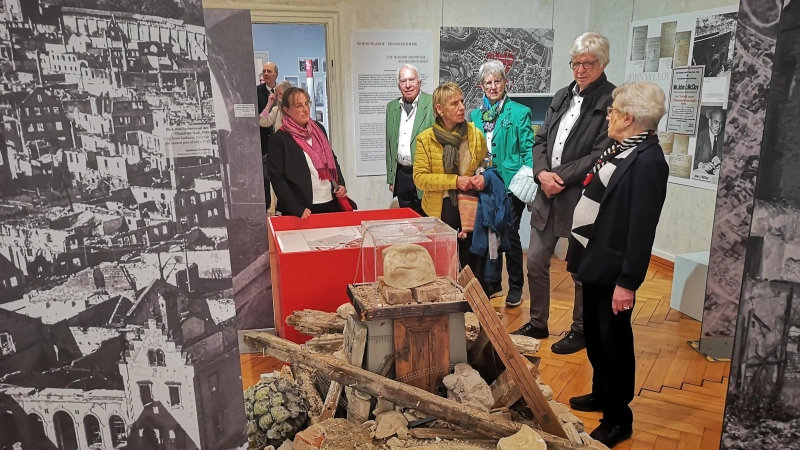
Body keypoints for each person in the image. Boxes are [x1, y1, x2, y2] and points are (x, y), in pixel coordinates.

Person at [565, 81, 668, 448]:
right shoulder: (621, 148)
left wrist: (628, 282)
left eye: (613, 111)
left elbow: (642, 230)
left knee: (614, 343)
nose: (608, 115)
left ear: (628, 117)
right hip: (595, 260)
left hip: (614, 269)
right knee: (594, 335)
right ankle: (600, 394)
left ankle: (618, 418)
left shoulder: (649, 161)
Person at [513, 32, 616, 356]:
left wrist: (559, 177)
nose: (581, 69)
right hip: (547, 193)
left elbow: (600, 153)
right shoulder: (561, 95)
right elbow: (539, 140)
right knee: (537, 262)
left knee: (580, 270)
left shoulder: (612, 101)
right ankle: (538, 322)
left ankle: (581, 329)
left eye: (588, 63)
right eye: (576, 63)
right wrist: (542, 174)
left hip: (580, 198)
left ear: (603, 64)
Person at [469, 59, 534, 306]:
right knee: (488, 232)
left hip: (510, 184)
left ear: (505, 83)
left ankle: (516, 285)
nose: (493, 86)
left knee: (509, 232)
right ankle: (491, 283)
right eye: (488, 82)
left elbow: (528, 149)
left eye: (497, 81)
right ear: (482, 86)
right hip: (484, 183)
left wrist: (529, 178)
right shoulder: (475, 115)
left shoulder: (519, 112)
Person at [413, 82, 489, 281]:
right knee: (443, 263)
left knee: (471, 259)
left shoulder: (474, 134)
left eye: (462, 101)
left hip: (471, 206)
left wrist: (482, 175)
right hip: (440, 209)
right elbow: (420, 179)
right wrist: (454, 181)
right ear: (439, 109)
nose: (462, 107)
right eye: (454, 103)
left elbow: (486, 162)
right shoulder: (425, 139)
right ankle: (447, 305)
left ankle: (472, 305)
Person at [267, 87, 347, 218]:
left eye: (306, 103)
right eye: (298, 106)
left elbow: (331, 158)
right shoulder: (280, 139)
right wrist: (295, 208)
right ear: (286, 110)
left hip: (330, 203)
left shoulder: (318, 129)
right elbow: (276, 178)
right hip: (303, 209)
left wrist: (341, 184)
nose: (305, 109)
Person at [385, 64, 434, 215]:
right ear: (398, 85)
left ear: (420, 81)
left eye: (411, 80)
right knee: (407, 221)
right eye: (403, 81)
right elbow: (389, 145)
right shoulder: (392, 107)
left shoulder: (432, 103)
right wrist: (391, 177)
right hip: (402, 175)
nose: (407, 85)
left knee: (427, 220)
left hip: (425, 174)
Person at [257, 62, 279, 211]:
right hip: (264, 141)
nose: (266, 74)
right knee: (265, 177)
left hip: (282, 142)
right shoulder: (256, 92)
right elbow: (261, 119)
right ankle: (266, 208)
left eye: (269, 71)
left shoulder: (283, 91)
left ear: (276, 74)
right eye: (264, 71)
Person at [694, 108, 724, 173]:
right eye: (716, 122)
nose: (718, 127)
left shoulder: (723, 137)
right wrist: (701, 165)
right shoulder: (699, 137)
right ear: (710, 122)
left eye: (720, 123)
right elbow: (690, 159)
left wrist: (721, 159)